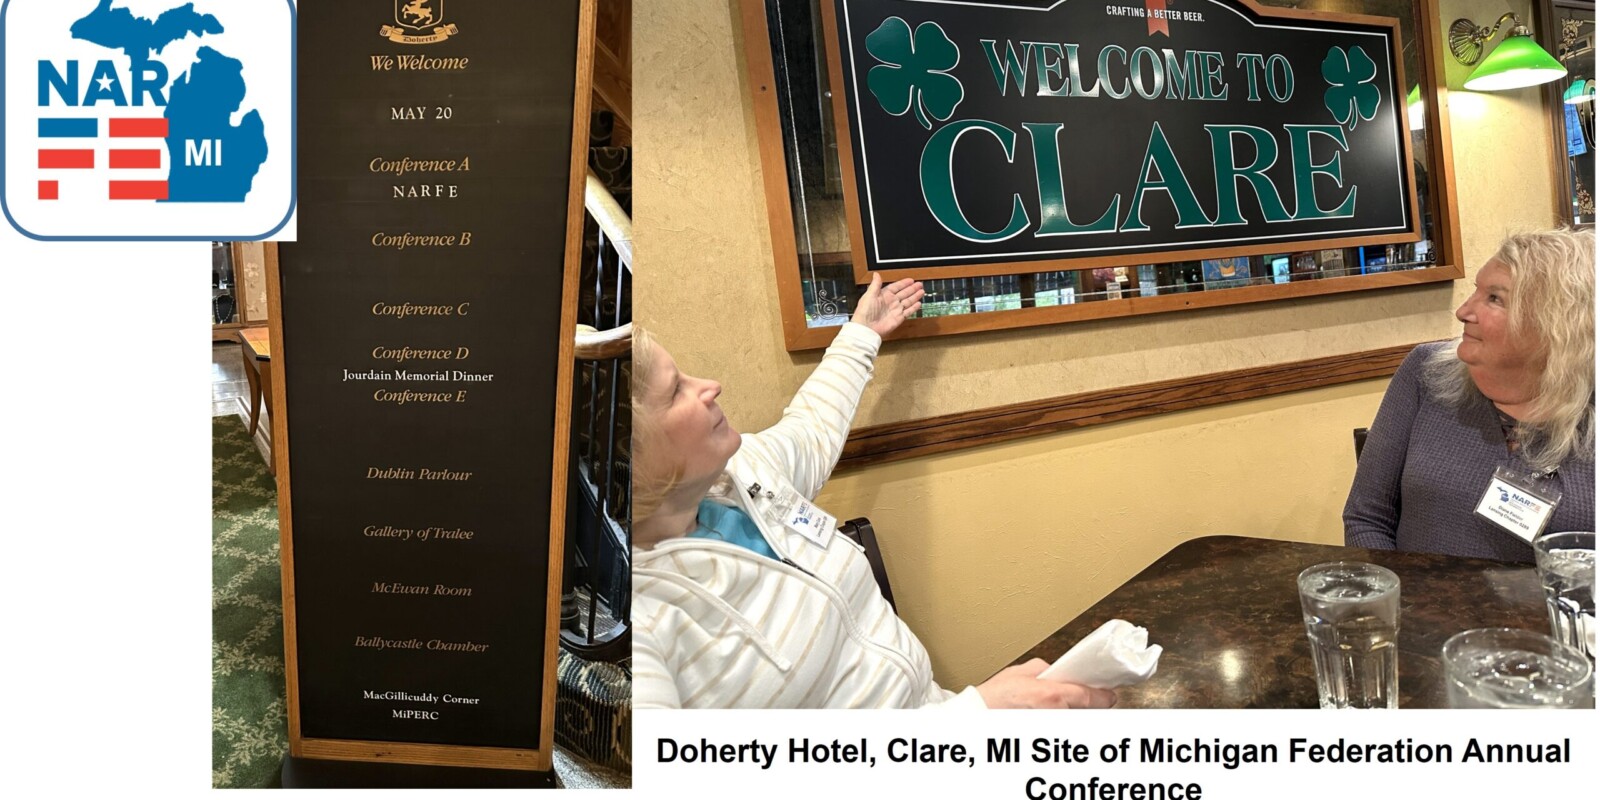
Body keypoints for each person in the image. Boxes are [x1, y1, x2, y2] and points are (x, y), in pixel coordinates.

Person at [631, 274, 1117, 709]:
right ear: (631, 461)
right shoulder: (644, 618)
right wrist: (972, 719)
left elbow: (814, 424)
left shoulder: (742, 474)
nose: (710, 386)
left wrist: (863, 332)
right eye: (676, 392)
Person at [1345, 229, 1595, 560]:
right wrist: (1400, 604)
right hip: (1419, 606)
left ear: (1557, 325)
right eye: (1477, 291)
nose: (1463, 311)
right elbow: (1366, 518)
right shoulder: (1426, 372)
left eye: (1495, 298)